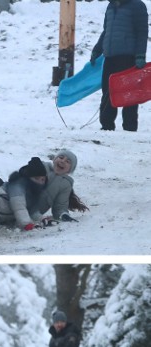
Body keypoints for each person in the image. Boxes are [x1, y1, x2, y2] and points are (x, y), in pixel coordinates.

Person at [90, 0, 148, 131]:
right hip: (110, 56)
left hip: (128, 57)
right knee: (107, 91)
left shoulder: (137, 6)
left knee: (130, 93)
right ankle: (106, 125)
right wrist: (97, 49)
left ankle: (130, 127)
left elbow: (142, 32)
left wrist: (140, 55)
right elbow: (106, 31)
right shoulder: (110, 6)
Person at [35, 149, 88, 223]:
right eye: (61, 157)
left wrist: (64, 215)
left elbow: (60, 206)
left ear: (70, 170)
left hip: (31, 214)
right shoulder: (41, 167)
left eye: (67, 162)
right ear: (54, 159)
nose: (62, 161)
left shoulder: (65, 184)